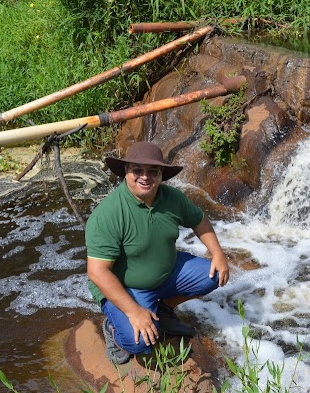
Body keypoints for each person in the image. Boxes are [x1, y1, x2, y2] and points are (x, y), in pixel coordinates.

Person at [85, 142, 229, 364]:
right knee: (141, 343)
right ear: (126, 171)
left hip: (167, 271)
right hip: (126, 286)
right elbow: (98, 272)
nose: (145, 177)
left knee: (216, 275)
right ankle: (112, 328)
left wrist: (218, 254)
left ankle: (164, 308)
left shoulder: (172, 198)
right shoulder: (108, 214)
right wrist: (134, 312)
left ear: (161, 174)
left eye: (153, 171)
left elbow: (198, 220)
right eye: (137, 170)